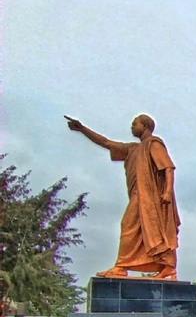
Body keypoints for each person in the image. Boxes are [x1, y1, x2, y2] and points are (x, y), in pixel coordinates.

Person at [65, 113, 179, 279]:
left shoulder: (153, 144)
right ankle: (164, 266)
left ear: (145, 126)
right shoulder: (133, 148)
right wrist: (82, 129)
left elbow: (168, 167)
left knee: (129, 225)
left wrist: (168, 191)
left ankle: (123, 267)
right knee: (138, 228)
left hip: (151, 198)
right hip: (139, 195)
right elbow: (106, 142)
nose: (132, 127)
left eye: (135, 124)